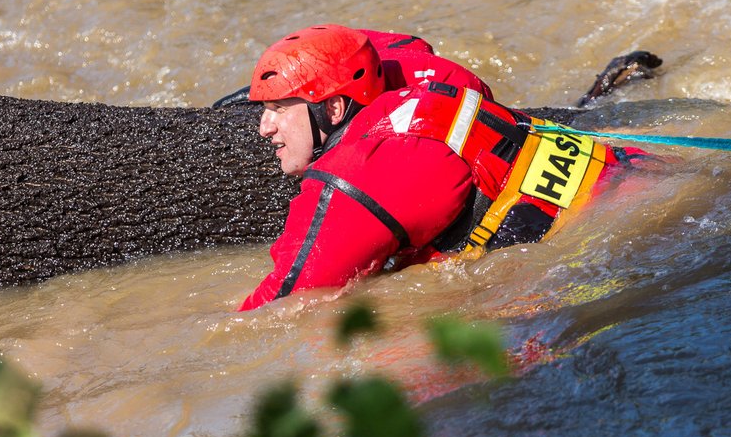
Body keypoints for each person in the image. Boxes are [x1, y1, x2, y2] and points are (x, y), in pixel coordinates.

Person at [238, 24, 644, 311]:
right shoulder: (425, 78)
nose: (264, 127)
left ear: (333, 108)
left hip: (621, 244)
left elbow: (285, 304)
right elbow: (381, 44)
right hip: (631, 170)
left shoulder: (362, 177)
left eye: (277, 109)